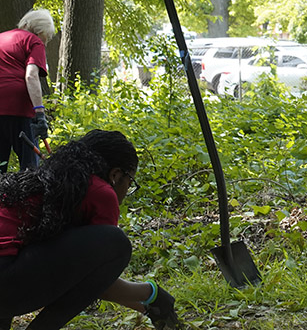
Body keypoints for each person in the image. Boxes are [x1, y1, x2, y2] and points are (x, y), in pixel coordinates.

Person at [0, 129, 178, 330]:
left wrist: (146, 306)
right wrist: (151, 293)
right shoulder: (100, 192)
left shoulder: (52, 183)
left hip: (9, 274)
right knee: (116, 244)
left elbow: (85, 278)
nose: (128, 189)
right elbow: (99, 283)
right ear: (115, 174)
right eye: (130, 181)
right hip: (7, 280)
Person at [0, 9, 55, 172]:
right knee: (30, 168)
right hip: (19, 109)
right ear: (40, 31)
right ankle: (29, 198)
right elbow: (31, 76)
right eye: (47, 37)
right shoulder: (34, 41)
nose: (45, 43)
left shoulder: (1, 38)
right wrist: (40, 114)